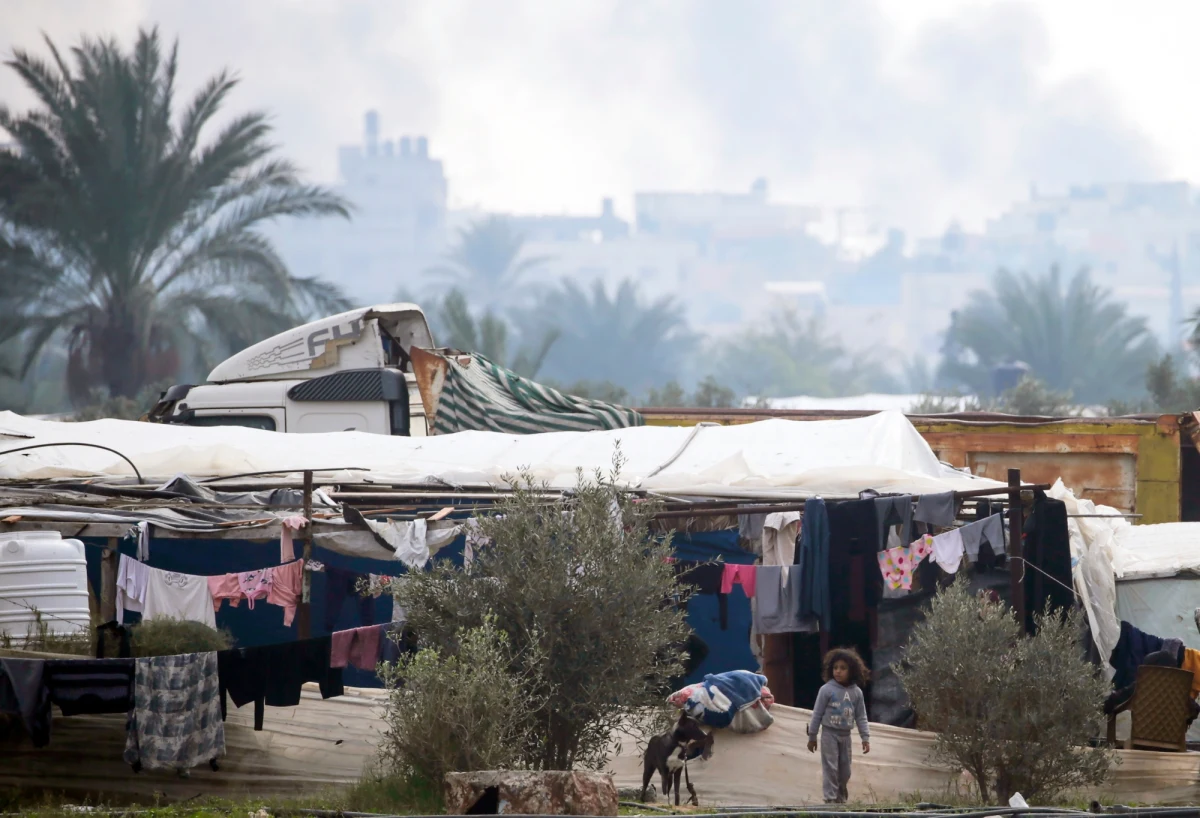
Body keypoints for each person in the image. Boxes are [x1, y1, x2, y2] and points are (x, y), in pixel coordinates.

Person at [807, 647, 871, 804]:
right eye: (835, 668)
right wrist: (812, 736)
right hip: (829, 734)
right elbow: (817, 714)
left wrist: (865, 737)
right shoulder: (826, 690)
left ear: (852, 670)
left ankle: (840, 800)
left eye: (843, 668)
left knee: (845, 771)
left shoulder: (856, 693)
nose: (838, 671)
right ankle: (830, 801)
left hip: (845, 736)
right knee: (831, 768)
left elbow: (861, 716)